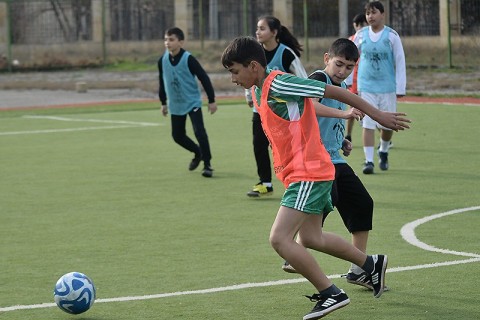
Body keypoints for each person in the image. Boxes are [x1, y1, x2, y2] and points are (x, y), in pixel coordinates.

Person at [222, 36, 410, 320]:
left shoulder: (279, 82)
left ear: (253, 66)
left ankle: (330, 293)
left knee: (279, 239)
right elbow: (307, 111)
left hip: (309, 171)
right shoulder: (260, 90)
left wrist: (377, 115)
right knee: (311, 237)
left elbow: (334, 93)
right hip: (299, 172)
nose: (232, 78)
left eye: (234, 71)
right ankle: (370, 264)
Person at [281, 38, 379, 291]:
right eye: (338, 64)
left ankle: (360, 270)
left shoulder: (342, 85)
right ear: (327, 59)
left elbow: (329, 125)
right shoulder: (318, 79)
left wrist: (343, 140)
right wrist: (344, 114)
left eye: (349, 66)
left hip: (333, 157)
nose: (342, 70)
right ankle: (296, 248)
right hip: (316, 161)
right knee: (327, 200)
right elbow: (311, 106)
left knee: (362, 203)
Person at [245, 15, 308, 198]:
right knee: (259, 144)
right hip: (261, 111)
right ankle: (265, 182)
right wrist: (249, 95)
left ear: (274, 32)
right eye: (257, 28)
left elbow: (302, 79)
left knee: (284, 149)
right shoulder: (255, 54)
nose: (258, 32)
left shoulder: (286, 53)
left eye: (262, 28)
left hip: (283, 114)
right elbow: (247, 75)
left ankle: (295, 180)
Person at [354, 1, 406, 174]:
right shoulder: (360, 35)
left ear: (383, 14)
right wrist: (347, 81)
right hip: (366, 86)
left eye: (373, 12)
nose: (370, 16)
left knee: (388, 126)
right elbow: (350, 58)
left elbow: (400, 61)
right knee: (367, 124)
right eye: (368, 13)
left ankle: (383, 149)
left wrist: (401, 87)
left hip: (387, 87)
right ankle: (368, 161)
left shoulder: (391, 36)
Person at [158, 27, 217, 178]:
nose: (167, 42)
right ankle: (197, 152)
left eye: (171, 39)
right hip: (176, 104)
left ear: (181, 42)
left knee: (199, 132)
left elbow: (203, 77)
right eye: (166, 39)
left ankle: (207, 164)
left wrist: (211, 100)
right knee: (177, 135)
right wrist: (163, 102)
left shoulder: (188, 59)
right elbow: (162, 81)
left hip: (192, 102)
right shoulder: (162, 60)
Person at [344, 13, 368, 143]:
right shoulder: (352, 40)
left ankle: (383, 134)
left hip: (365, 80)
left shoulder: (368, 39)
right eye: (358, 25)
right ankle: (348, 135)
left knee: (368, 109)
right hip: (354, 81)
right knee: (354, 108)